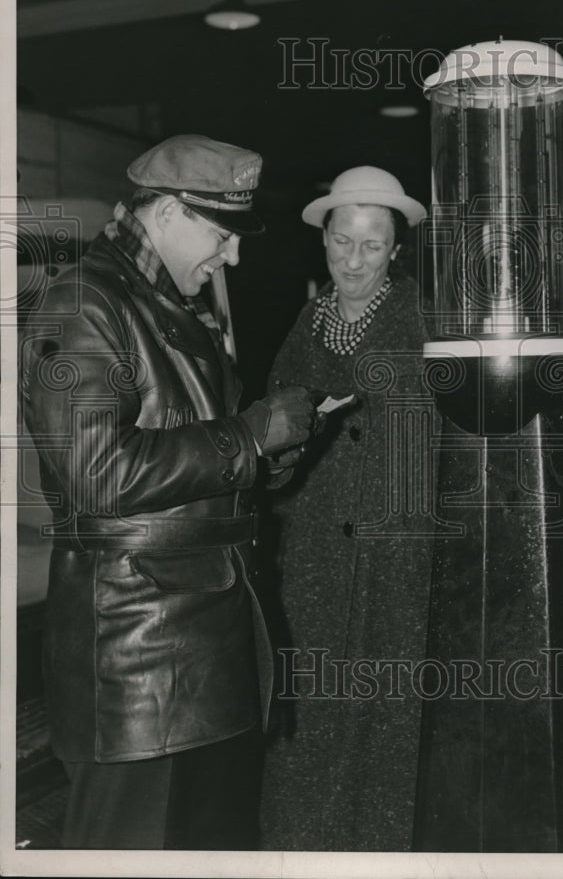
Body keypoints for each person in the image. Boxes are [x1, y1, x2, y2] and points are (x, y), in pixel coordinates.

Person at [20, 134, 316, 850]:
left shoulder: (164, 304)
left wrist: (269, 454)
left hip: (197, 653)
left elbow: (194, 448)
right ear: (170, 213)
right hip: (141, 664)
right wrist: (248, 438)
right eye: (221, 234)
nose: (231, 257)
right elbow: (99, 473)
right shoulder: (83, 302)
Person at [259, 165, 436, 851]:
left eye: (371, 245)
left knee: (384, 719)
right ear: (324, 240)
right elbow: (271, 439)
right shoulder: (308, 321)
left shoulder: (425, 319)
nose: (354, 260)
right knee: (308, 718)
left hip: (398, 557)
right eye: (341, 242)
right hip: (312, 557)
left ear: (396, 249)